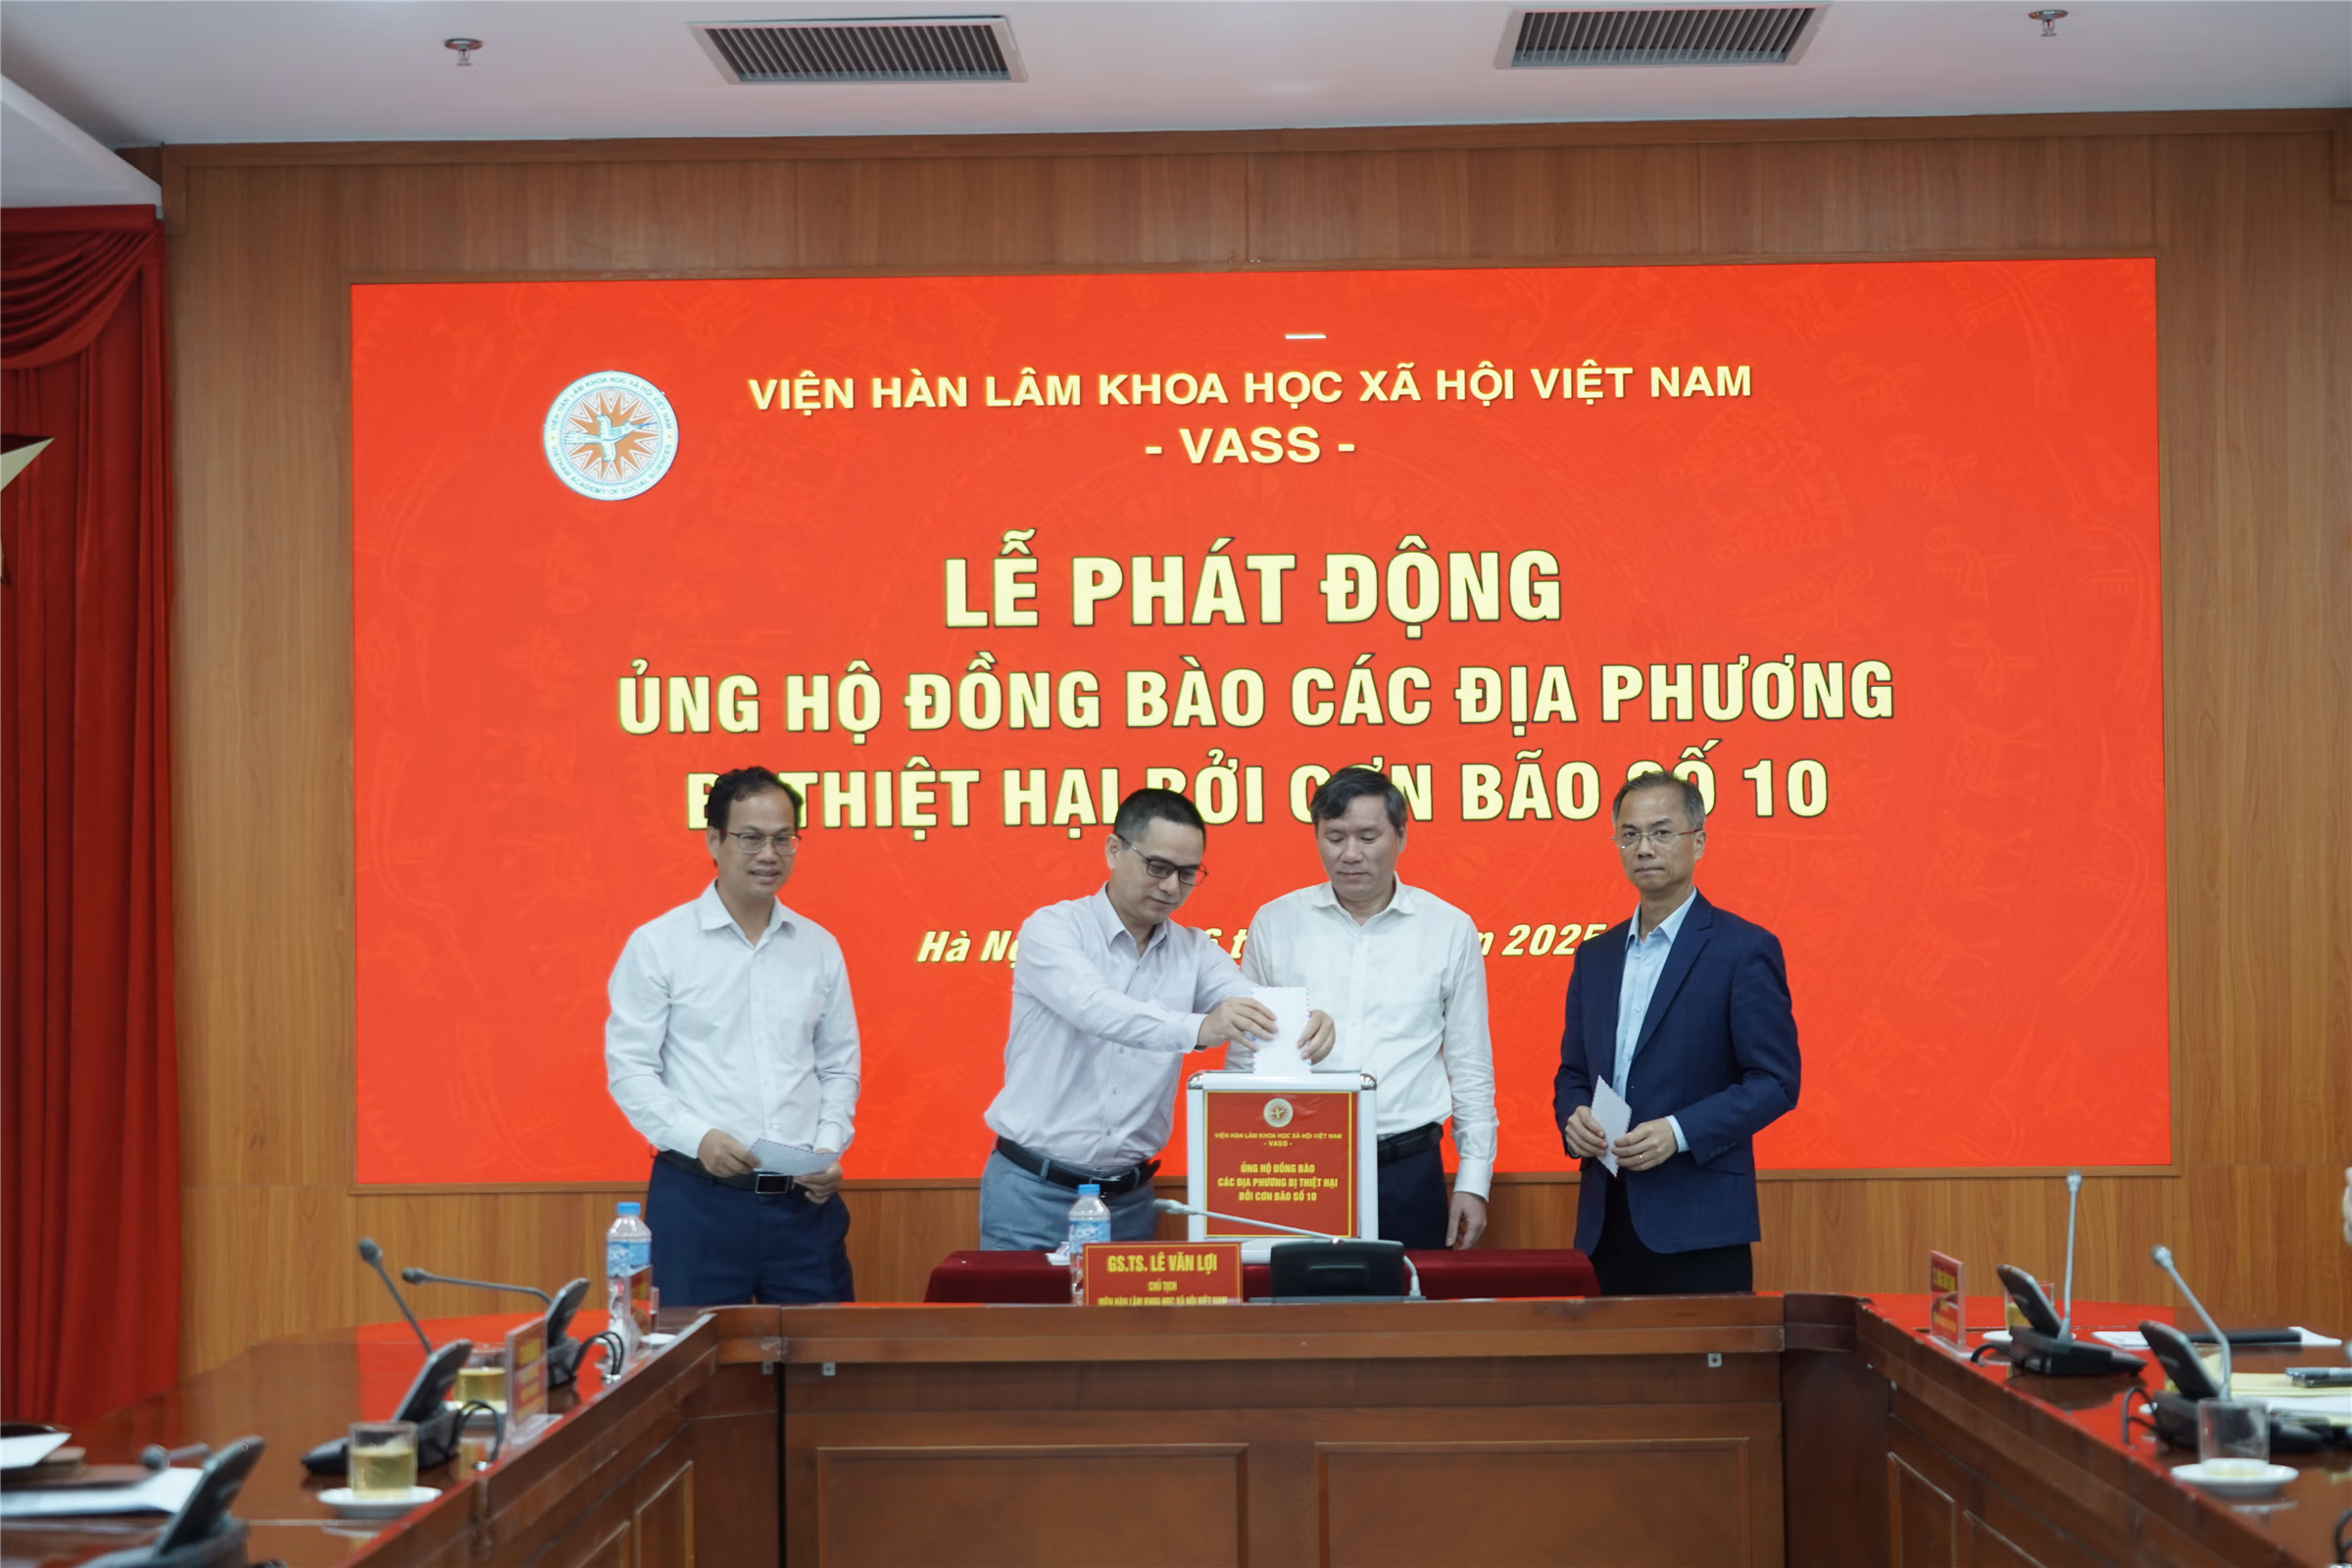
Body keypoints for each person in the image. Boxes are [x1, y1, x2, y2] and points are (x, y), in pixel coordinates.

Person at [980, 787, 1333, 1251]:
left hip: (1127, 1201)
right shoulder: (1053, 929)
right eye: (1158, 867)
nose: (1171, 887)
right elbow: (1094, 1006)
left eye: (1187, 874)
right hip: (1032, 1192)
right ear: (1114, 850)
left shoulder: (1195, 951)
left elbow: (1248, 1004)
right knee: (1013, 1305)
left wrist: (1302, 1021)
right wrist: (1199, 1027)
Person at [605, 765, 859, 1304]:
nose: (769, 854)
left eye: (783, 838)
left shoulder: (819, 947)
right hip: (698, 1201)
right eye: (750, 838)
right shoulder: (659, 945)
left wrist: (828, 1147)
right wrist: (698, 1137)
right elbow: (631, 1070)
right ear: (714, 841)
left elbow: (838, 1066)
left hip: (804, 1208)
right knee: (689, 1352)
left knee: (822, 1354)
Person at [1552, 770, 1800, 1295]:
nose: (1644, 848)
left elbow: (1775, 1081)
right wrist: (1574, 1119)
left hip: (1699, 1224)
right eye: (1630, 834)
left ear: (1698, 841)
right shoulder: (1595, 956)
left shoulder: (1743, 949)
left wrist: (1679, 1132)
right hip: (1604, 1223)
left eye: (1661, 832)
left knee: (1706, 1353)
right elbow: (1573, 1073)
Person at [1234, 767, 1496, 1250]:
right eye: (1335, 837)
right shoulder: (1275, 923)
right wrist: (1239, 1168)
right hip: (1295, 1163)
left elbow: (1470, 1063)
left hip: (1407, 1168)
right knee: (1297, 1298)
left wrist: (1473, 1178)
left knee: (1405, 1301)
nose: (1350, 853)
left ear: (1401, 836)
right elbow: (1244, 1059)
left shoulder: (1448, 929)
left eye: (1368, 837)